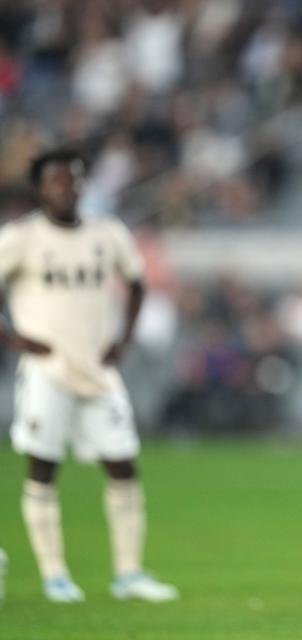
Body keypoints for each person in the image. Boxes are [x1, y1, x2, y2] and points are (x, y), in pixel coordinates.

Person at [0, 149, 178, 603]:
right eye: (58, 180)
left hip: (98, 370)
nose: (68, 187)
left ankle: (128, 573)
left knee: (123, 464)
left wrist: (124, 338)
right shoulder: (20, 238)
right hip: (47, 369)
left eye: (75, 179)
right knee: (43, 467)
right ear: (40, 189)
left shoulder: (108, 233)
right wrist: (17, 341)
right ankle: (55, 574)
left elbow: (136, 283)